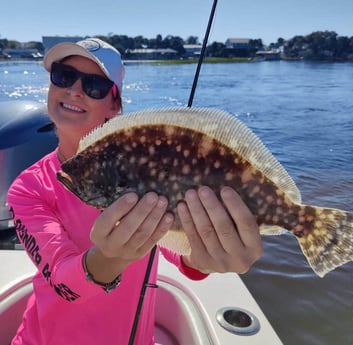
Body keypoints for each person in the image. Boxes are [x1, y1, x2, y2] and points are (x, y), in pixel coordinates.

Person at [7, 38, 263, 345]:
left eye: (94, 86)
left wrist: (209, 255)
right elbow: (64, 283)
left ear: (114, 105)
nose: (74, 89)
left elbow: (181, 254)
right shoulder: (29, 187)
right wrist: (110, 258)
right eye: (63, 75)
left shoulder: (144, 165)